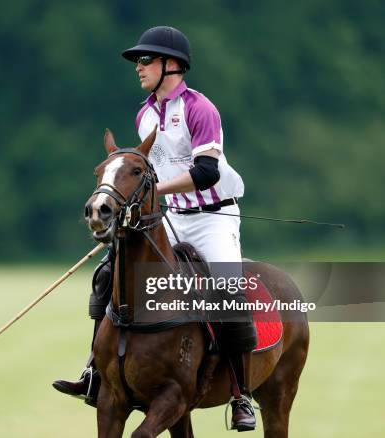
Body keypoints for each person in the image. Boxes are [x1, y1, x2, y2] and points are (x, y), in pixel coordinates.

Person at [53, 26, 258, 432]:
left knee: (228, 293)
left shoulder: (201, 109)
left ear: (173, 65)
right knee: (108, 274)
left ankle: (241, 394)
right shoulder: (144, 113)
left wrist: (153, 190)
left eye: (146, 60)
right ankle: (96, 372)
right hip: (167, 217)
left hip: (212, 217)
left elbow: (205, 171)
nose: (139, 67)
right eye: (138, 61)